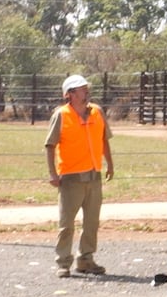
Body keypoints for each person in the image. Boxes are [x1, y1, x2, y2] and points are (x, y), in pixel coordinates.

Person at [44, 74, 115, 277]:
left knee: (91, 222)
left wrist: (109, 163)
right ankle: (63, 263)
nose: (86, 91)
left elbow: (104, 140)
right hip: (71, 177)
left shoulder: (97, 112)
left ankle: (86, 260)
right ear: (70, 94)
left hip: (94, 175)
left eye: (86, 88)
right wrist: (52, 173)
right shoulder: (61, 115)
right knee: (66, 224)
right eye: (81, 89)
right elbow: (50, 145)